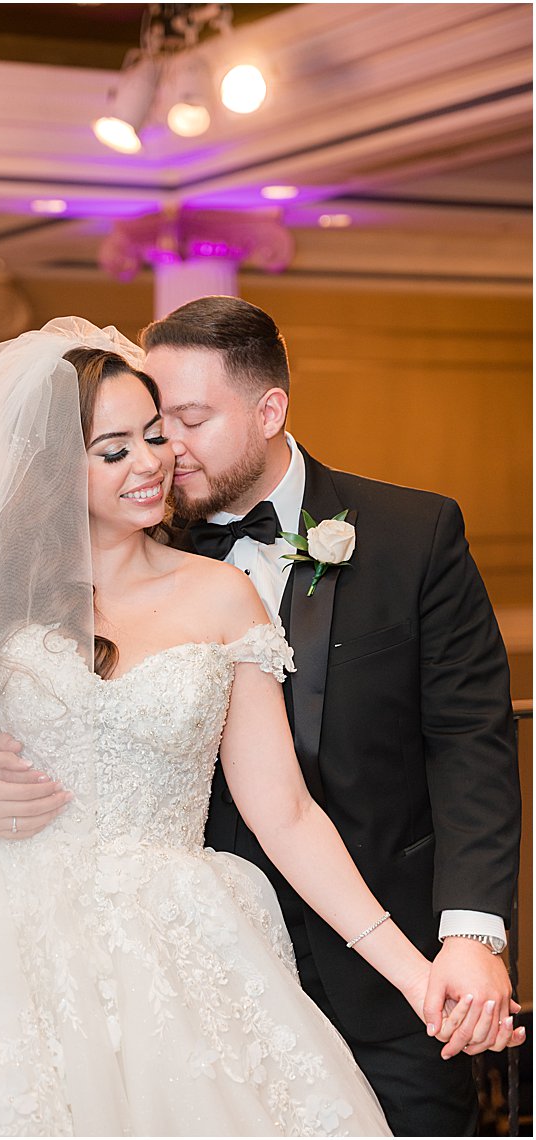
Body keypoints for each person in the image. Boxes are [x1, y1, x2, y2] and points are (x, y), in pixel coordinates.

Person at [0, 320, 518, 1135]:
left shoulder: (221, 597)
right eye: (114, 447)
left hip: (174, 934)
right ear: (55, 469)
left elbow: (286, 814)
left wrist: (419, 977)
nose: (155, 461)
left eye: (158, 434)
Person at [139, 296, 521, 1134]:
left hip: (397, 973)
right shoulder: (125, 549)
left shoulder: (413, 534)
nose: (168, 447)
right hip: (191, 971)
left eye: (193, 418)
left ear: (271, 409)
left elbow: (470, 746)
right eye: (153, 420)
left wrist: (474, 936)